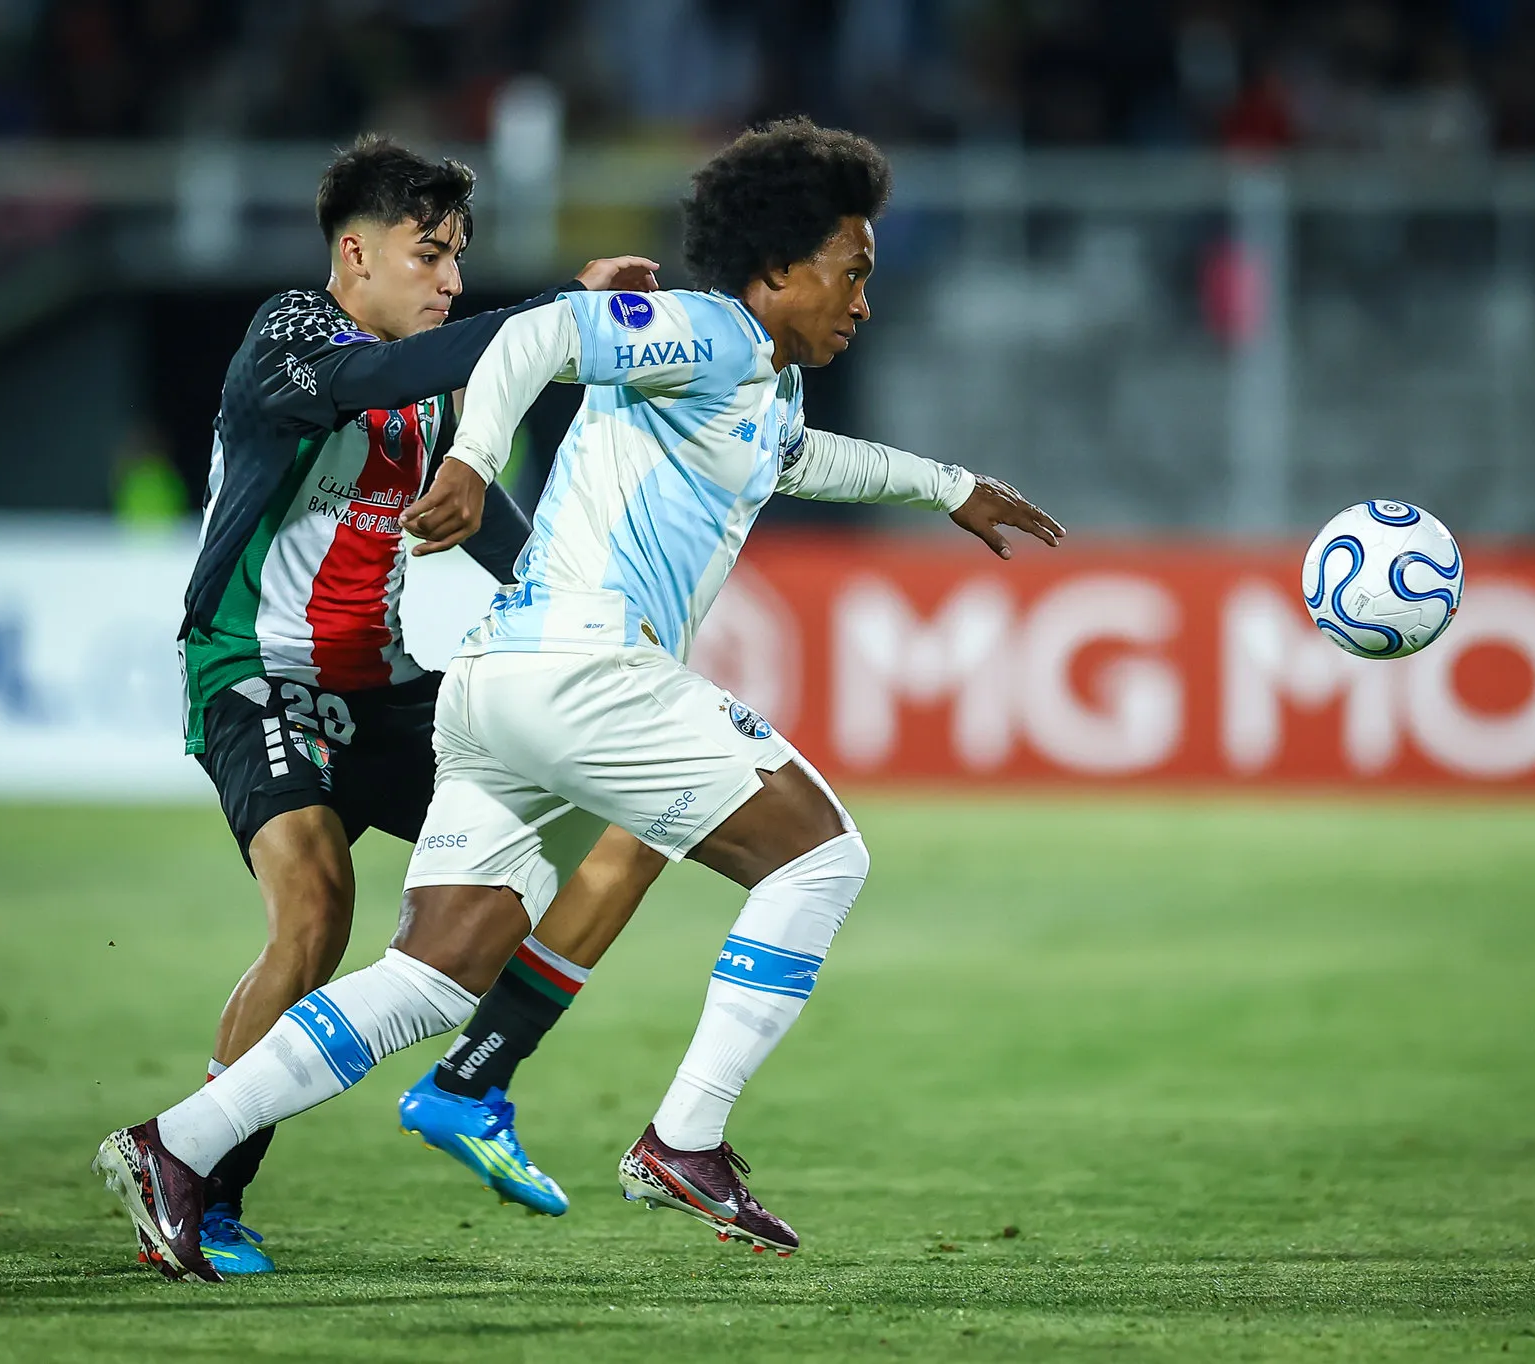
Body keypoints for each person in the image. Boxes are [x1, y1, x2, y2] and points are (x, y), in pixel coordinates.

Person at [97, 116, 1062, 1281]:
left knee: (436, 967)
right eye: (850, 270)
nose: (865, 298)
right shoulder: (320, 335)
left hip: (458, 679)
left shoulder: (753, 378)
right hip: (334, 667)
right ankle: (679, 1137)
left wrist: (950, 487)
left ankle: (190, 1141)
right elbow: (533, 338)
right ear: (776, 267)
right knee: (818, 857)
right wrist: (494, 427)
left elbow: (799, 457)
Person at [169, 130, 659, 1273]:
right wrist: (558, 314)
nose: (449, 278)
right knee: (315, 914)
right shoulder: (291, 336)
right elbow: (367, 381)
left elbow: (487, 525)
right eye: (428, 253)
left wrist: (579, 614)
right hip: (257, 672)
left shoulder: (436, 388)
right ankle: (196, 1182)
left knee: (609, 819)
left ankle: (471, 1080)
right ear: (355, 252)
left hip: (385, 687)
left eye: (457, 257)